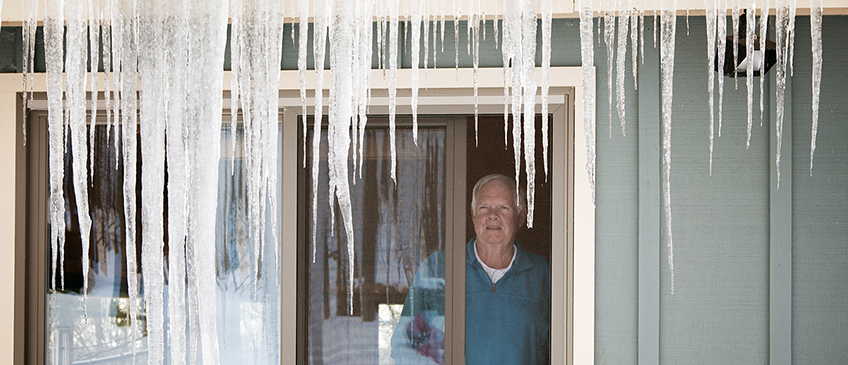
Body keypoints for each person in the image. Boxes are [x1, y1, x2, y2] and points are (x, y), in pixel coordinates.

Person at [391, 174, 551, 364]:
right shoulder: (439, 267)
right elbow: (404, 345)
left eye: (503, 207)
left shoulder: (543, 273)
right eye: (484, 207)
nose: (493, 215)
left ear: (521, 217)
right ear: (473, 215)